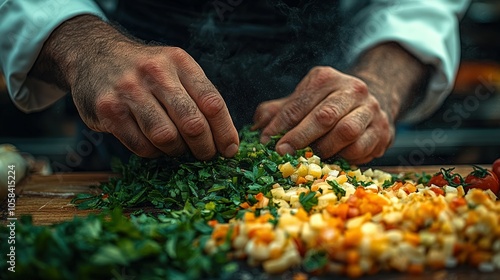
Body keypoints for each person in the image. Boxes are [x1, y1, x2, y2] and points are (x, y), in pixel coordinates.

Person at [0, 0, 470, 166]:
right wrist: (86, 50)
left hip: (320, 147)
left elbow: (420, 5)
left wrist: (380, 85)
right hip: (121, 143)